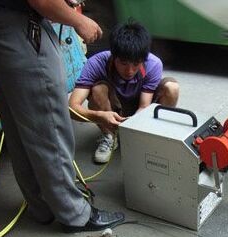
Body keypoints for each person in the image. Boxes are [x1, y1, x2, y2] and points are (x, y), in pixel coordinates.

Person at [0, 0, 125, 232]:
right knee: (47, 117)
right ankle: (73, 213)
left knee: (21, 121)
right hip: (14, 20)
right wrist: (79, 21)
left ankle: (43, 204)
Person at [69, 19, 179, 163]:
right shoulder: (96, 63)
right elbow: (73, 108)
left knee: (172, 88)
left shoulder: (153, 64)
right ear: (113, 55)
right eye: (123, 63)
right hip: (113, 108)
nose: (130, 70)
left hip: (140, 107)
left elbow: (144, 105)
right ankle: (110, 136)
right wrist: (99, 116)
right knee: (97, 89)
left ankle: (153, 133)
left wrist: (135, 120)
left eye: (136, 63)